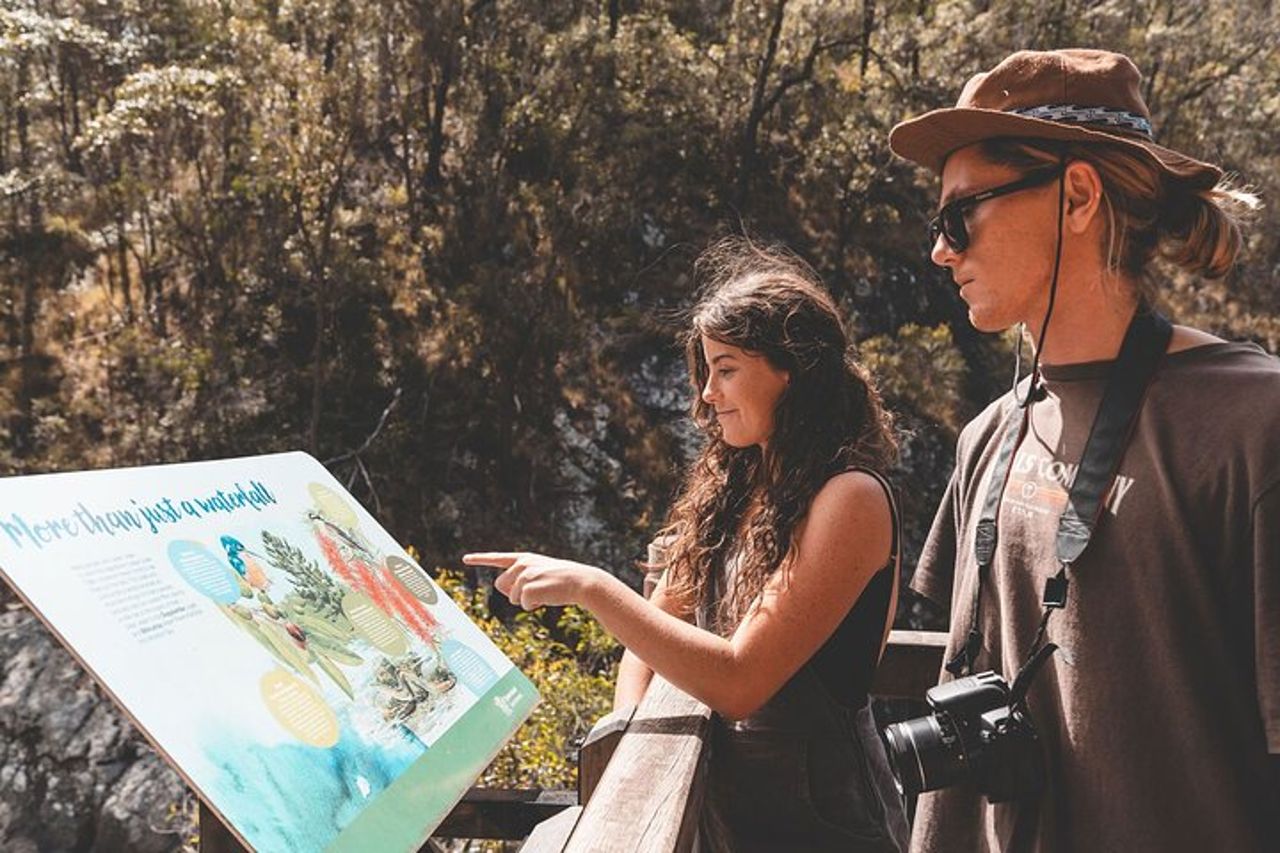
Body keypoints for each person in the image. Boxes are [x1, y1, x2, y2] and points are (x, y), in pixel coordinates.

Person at [888, 49, 1280, 852]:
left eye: (960, 215)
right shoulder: (988, 435)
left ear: (1076, 195)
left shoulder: (1254, 425)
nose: (941, 250)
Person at [466, 237, 910, 851]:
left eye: (726, 369)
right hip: (725, 820)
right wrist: (629, 735)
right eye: (706, 371)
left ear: (794, 371)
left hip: (821, 826)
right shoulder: (737, 485)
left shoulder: (850, 498)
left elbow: (740, 682)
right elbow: (657, 629)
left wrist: (592, 587)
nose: (707, 395)